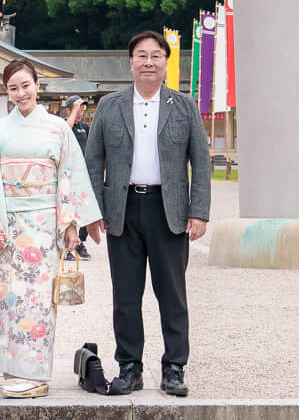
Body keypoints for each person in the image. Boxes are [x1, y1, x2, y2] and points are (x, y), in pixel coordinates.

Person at [84, 30, 211, 398]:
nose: (148, 62)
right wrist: (94, 211)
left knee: (171, 293)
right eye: (142, 55)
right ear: (131, 62)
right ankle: (129, 366)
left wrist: (199, 211)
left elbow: (200, 164)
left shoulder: (183, 106)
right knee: (126, 294)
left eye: (156, 56)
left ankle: (174, 367)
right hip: (121, 210)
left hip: (167, 209)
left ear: (166, 62)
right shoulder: (110, 106)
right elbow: (93, 162)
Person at [0, 59, 102, 398]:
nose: (20, 93)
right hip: (9, 224)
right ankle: (13, 369)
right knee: (8, 298)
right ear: (7, 91)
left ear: (37, 85)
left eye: (25, 85)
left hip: (45, 226)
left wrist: (71, 223)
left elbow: (69, 174)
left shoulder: (57, 128)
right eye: (13, 88)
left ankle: (36, 374)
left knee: (40, 300)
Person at [63, 95, 94, 259]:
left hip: (83, 173)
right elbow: (64, 135)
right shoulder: (63, 126)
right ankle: (68, 246)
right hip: (67, 174)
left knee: (85, 208)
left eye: (82, 108)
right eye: (77, 108)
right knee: (68, 209)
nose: (81, 112)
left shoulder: (84, 127)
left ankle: (80, 241)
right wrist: (73, 114)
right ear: (68, 110)